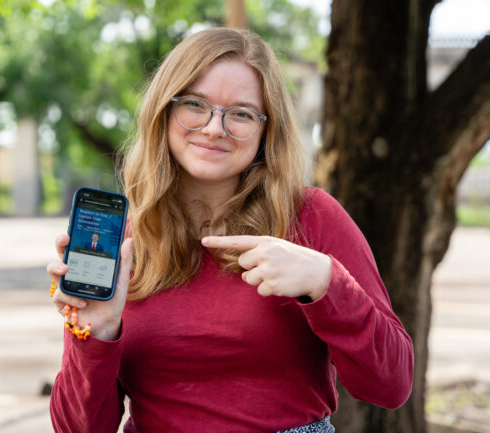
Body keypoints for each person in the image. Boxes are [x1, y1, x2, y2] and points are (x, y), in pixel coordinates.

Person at [46, 27, 413, 433]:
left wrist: (327, 283)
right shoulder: (123, 245)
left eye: (240, 113)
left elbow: (391, 386)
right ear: (164, 111)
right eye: (195, 104)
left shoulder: (311, 217)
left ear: (265, 130)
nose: (214, 128)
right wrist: (95, 332)